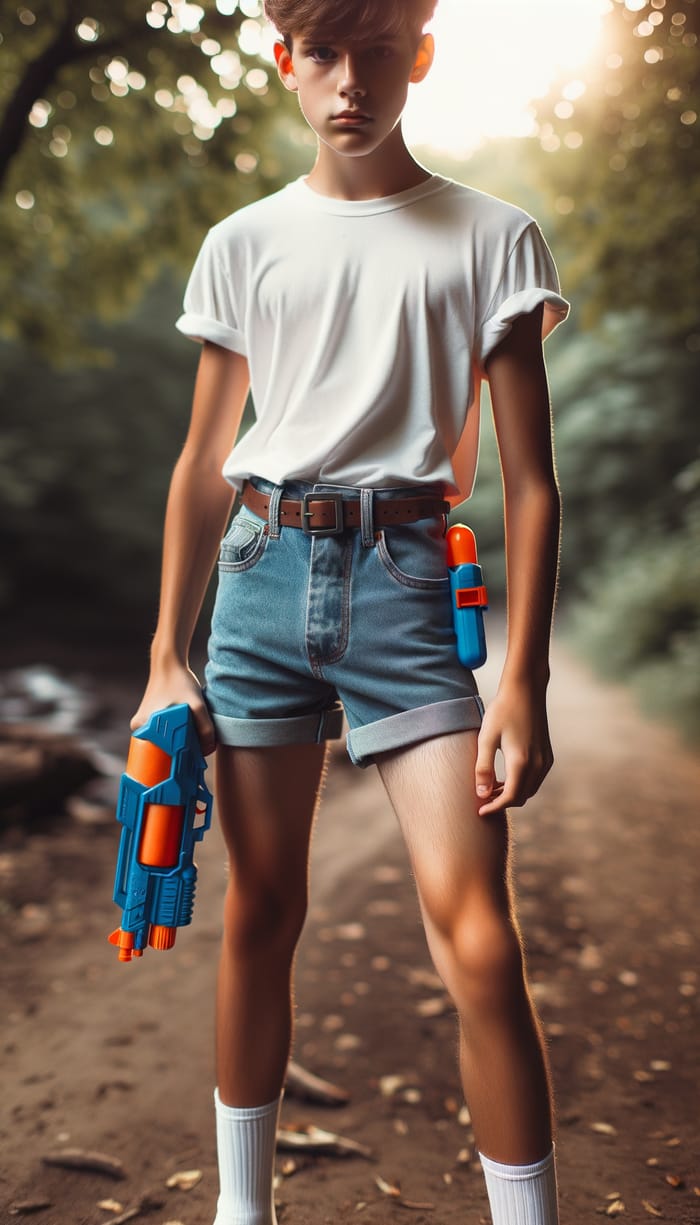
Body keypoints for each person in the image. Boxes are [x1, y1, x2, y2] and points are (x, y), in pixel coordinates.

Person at [131, 0, 570, 1221]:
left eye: (376, 52)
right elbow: (199, 462)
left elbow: (532, 481)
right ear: (286, 62)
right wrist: (168, 658)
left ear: (419, 56)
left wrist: (522, 681)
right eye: (321, 55)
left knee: (479, 936)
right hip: (262, 574)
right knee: (262, 910)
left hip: (410, 585)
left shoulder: (493, 236)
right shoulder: (244, 240)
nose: (348, 82)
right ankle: (240, 1210)